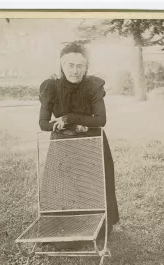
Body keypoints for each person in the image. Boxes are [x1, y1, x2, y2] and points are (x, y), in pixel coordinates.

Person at [38, 41, 119, 240]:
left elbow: (100, 121)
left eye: (80, 66)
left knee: (92, 187)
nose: (75, 71)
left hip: (92, 145)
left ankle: (98, 226)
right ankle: (67, 227)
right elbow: (43, 123)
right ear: (61, 65)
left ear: (86, 67)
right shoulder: (51, 87)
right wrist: (62, 125)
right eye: (70, 65)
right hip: (64, 146)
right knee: (65, 189)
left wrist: (69, 118)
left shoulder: (92, 86)